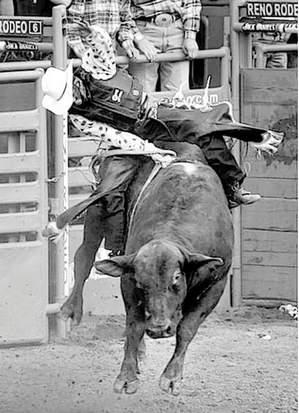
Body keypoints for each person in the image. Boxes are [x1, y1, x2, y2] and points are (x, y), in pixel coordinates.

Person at [128, 0, 201, 93]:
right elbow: (121, 9)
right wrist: (138, 38)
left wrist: (190, 36)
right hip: (144, 31)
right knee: (142, 93)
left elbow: (192, 2)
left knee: (178, 95)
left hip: (177, 30)